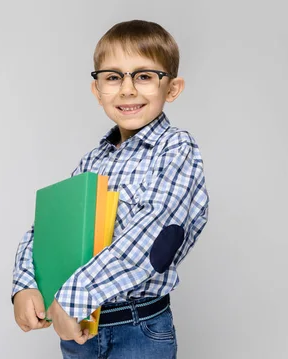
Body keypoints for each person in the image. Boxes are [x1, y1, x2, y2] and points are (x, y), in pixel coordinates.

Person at [11, 19, 209, 359]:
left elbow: (154, 238)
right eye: (113, 77)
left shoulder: (176, 149)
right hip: (82, 328)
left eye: (145, 76)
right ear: (97, 89)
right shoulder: (93, 160)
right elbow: (51, 230)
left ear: (172, 89)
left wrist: (74, 297)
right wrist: (26, 283)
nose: (127, 89)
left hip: (139, 330)